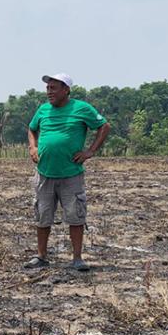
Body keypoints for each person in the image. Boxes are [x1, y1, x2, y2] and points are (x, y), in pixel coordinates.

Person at [25, 73, 110, 271]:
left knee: (75, 215)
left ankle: (77, 258)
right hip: (44, 174)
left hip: (71, 174)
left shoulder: (81, 108)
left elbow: (104, 126)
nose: (49, 92)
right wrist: (32, 147)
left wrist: (90, 151)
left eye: (53, 88)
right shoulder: (43, 110)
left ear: (66, 90)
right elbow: (31, 129)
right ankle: (41, 256)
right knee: (42, 215)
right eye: (48, 88)